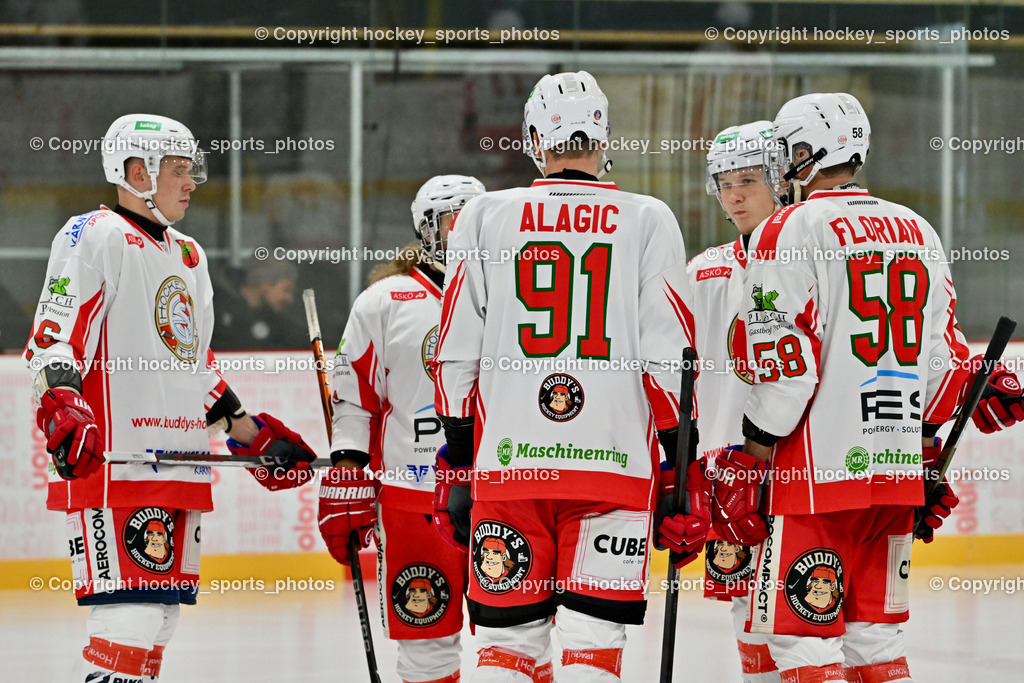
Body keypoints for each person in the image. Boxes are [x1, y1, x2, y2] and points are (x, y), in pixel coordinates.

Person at [24, 114, 316, 683]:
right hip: (117, 466)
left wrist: (254, 437)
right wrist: (61, 403)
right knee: (128, 625)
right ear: (137, 172)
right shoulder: (94, 235)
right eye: (179, 171)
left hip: (178, 466)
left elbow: (195, 368)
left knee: (157, 624)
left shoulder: (189, 256)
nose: (191, 183)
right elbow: (54, 334)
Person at [431, 71, 696, 682]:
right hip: (613, 470)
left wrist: (464, 452)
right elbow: (672, 358)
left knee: (508, 649)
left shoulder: (483, 216)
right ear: (605, 137)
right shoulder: (649, 218)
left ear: (532, 139)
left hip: (511, 467)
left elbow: (453, 353)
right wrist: (681, 461)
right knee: (592, 645)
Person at [708, 93, 973, 683]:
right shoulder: (917, 227)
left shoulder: (791, 226)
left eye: (785, 151)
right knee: (877, 644)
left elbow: (786, 366)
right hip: (894, 473)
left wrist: (751, 458)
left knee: (802, 642)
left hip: (815, 479)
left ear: (806, 153)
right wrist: (926, 452)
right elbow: (942, 360)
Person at [319, 175, 554, 683]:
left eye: (478, 221)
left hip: (504, 493)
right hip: (412, 500)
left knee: (522, 638)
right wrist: (346, 474)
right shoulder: (385, 302)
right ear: (427, 230)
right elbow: (355, 400)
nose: (468, 234)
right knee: (426, 641)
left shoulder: (526, 296)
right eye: (455, 223)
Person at [672, 121, 784, 683]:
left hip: (796, 466)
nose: (734, 194)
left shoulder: (812, 258)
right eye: (724, 182)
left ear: (781, 179)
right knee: (748, 614)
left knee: (801, 615)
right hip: (729, 473)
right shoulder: (703, 270)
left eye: (748, 179)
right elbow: (675, 370)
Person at [211, 259, 306, 350]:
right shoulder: (216, 312)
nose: (289, 298)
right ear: (265, 284)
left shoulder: (276, 322)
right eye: (286, 290)